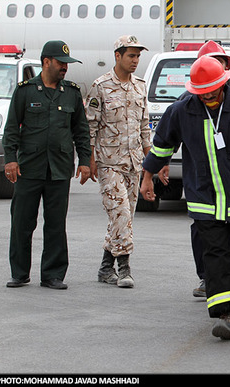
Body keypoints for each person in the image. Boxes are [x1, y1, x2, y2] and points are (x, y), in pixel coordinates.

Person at [140, 55, 230, 340]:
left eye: (212, 90)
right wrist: (147, 177)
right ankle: (226, 315)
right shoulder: (181, 110)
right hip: (204, 197)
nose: (208, 96)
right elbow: (162, 145)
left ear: (223, 83)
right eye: (201, 92)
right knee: (215, 255)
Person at [166, 40, 230, 297]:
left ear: (226, 68)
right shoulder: (186, 104)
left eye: (218, 62)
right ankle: (215, 290)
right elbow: (167, 138)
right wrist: (153, 169)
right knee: (209, 242)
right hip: (205, 193)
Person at [2, 40, 91, 289]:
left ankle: (52, 274)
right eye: (61, 63)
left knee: (55, 224)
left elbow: (81, 131)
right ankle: (19, 273)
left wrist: (84, 161)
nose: (65, 68)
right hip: (29, 167)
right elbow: (11, 129)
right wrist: (10, 159)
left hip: (60, 169)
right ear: (46, 62)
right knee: (22, 222)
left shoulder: (72, 93)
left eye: (67, 64)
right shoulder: (26, 91)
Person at [85, 35, 151, 288]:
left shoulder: (140, 86)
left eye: (138, 56)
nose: (135, 61)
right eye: (131, 56)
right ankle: (124, 268)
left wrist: (151, 159)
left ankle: (105, 267)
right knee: (121, 213)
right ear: (118, 56)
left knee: (123, 217)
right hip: (108, 162)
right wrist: (89, 159)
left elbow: (144, 126)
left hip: (134, 163)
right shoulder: (100, 86)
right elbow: (90, 126)